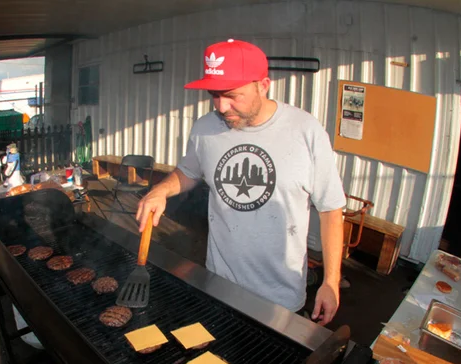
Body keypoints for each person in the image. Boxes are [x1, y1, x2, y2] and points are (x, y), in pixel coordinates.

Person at [135, 39, 345, 325]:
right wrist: (161, 190)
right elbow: (189, 171)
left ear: (263, 85)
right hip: (219, 284)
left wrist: (331, 282)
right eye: (214, 95)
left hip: (280, 297)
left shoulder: (306, 131)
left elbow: (331, 210)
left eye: (232, 95)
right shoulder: (205, 127)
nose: (222, 107)